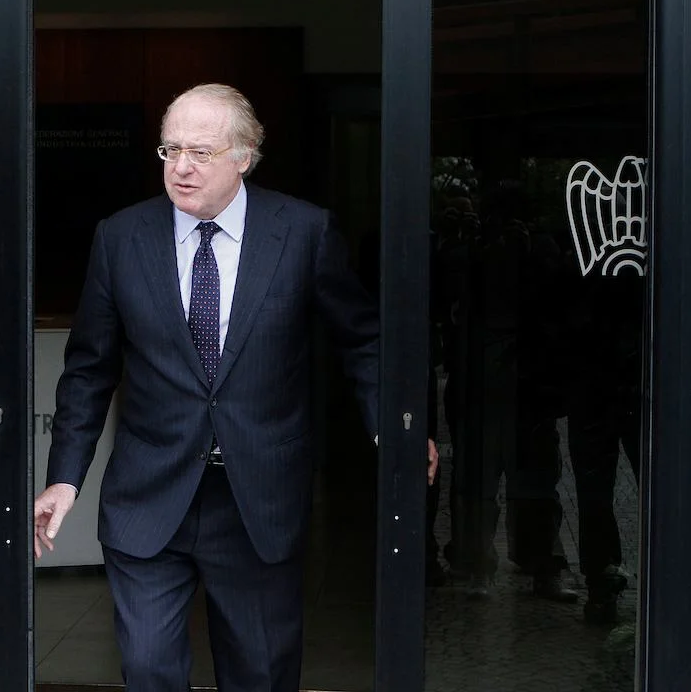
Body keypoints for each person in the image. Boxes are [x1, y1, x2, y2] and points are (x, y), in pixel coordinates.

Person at [33, 83, 438, 692]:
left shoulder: (303, 232)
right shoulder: (121, 237)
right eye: (170, 150)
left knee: (260, 675)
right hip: (149, 493)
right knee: (147, 668)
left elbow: (363, 340)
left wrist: (393, 428)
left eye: (200, 152)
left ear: (244, 157)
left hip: (258, 499)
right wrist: (65, 478)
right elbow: (89, 368)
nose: (181, 167)